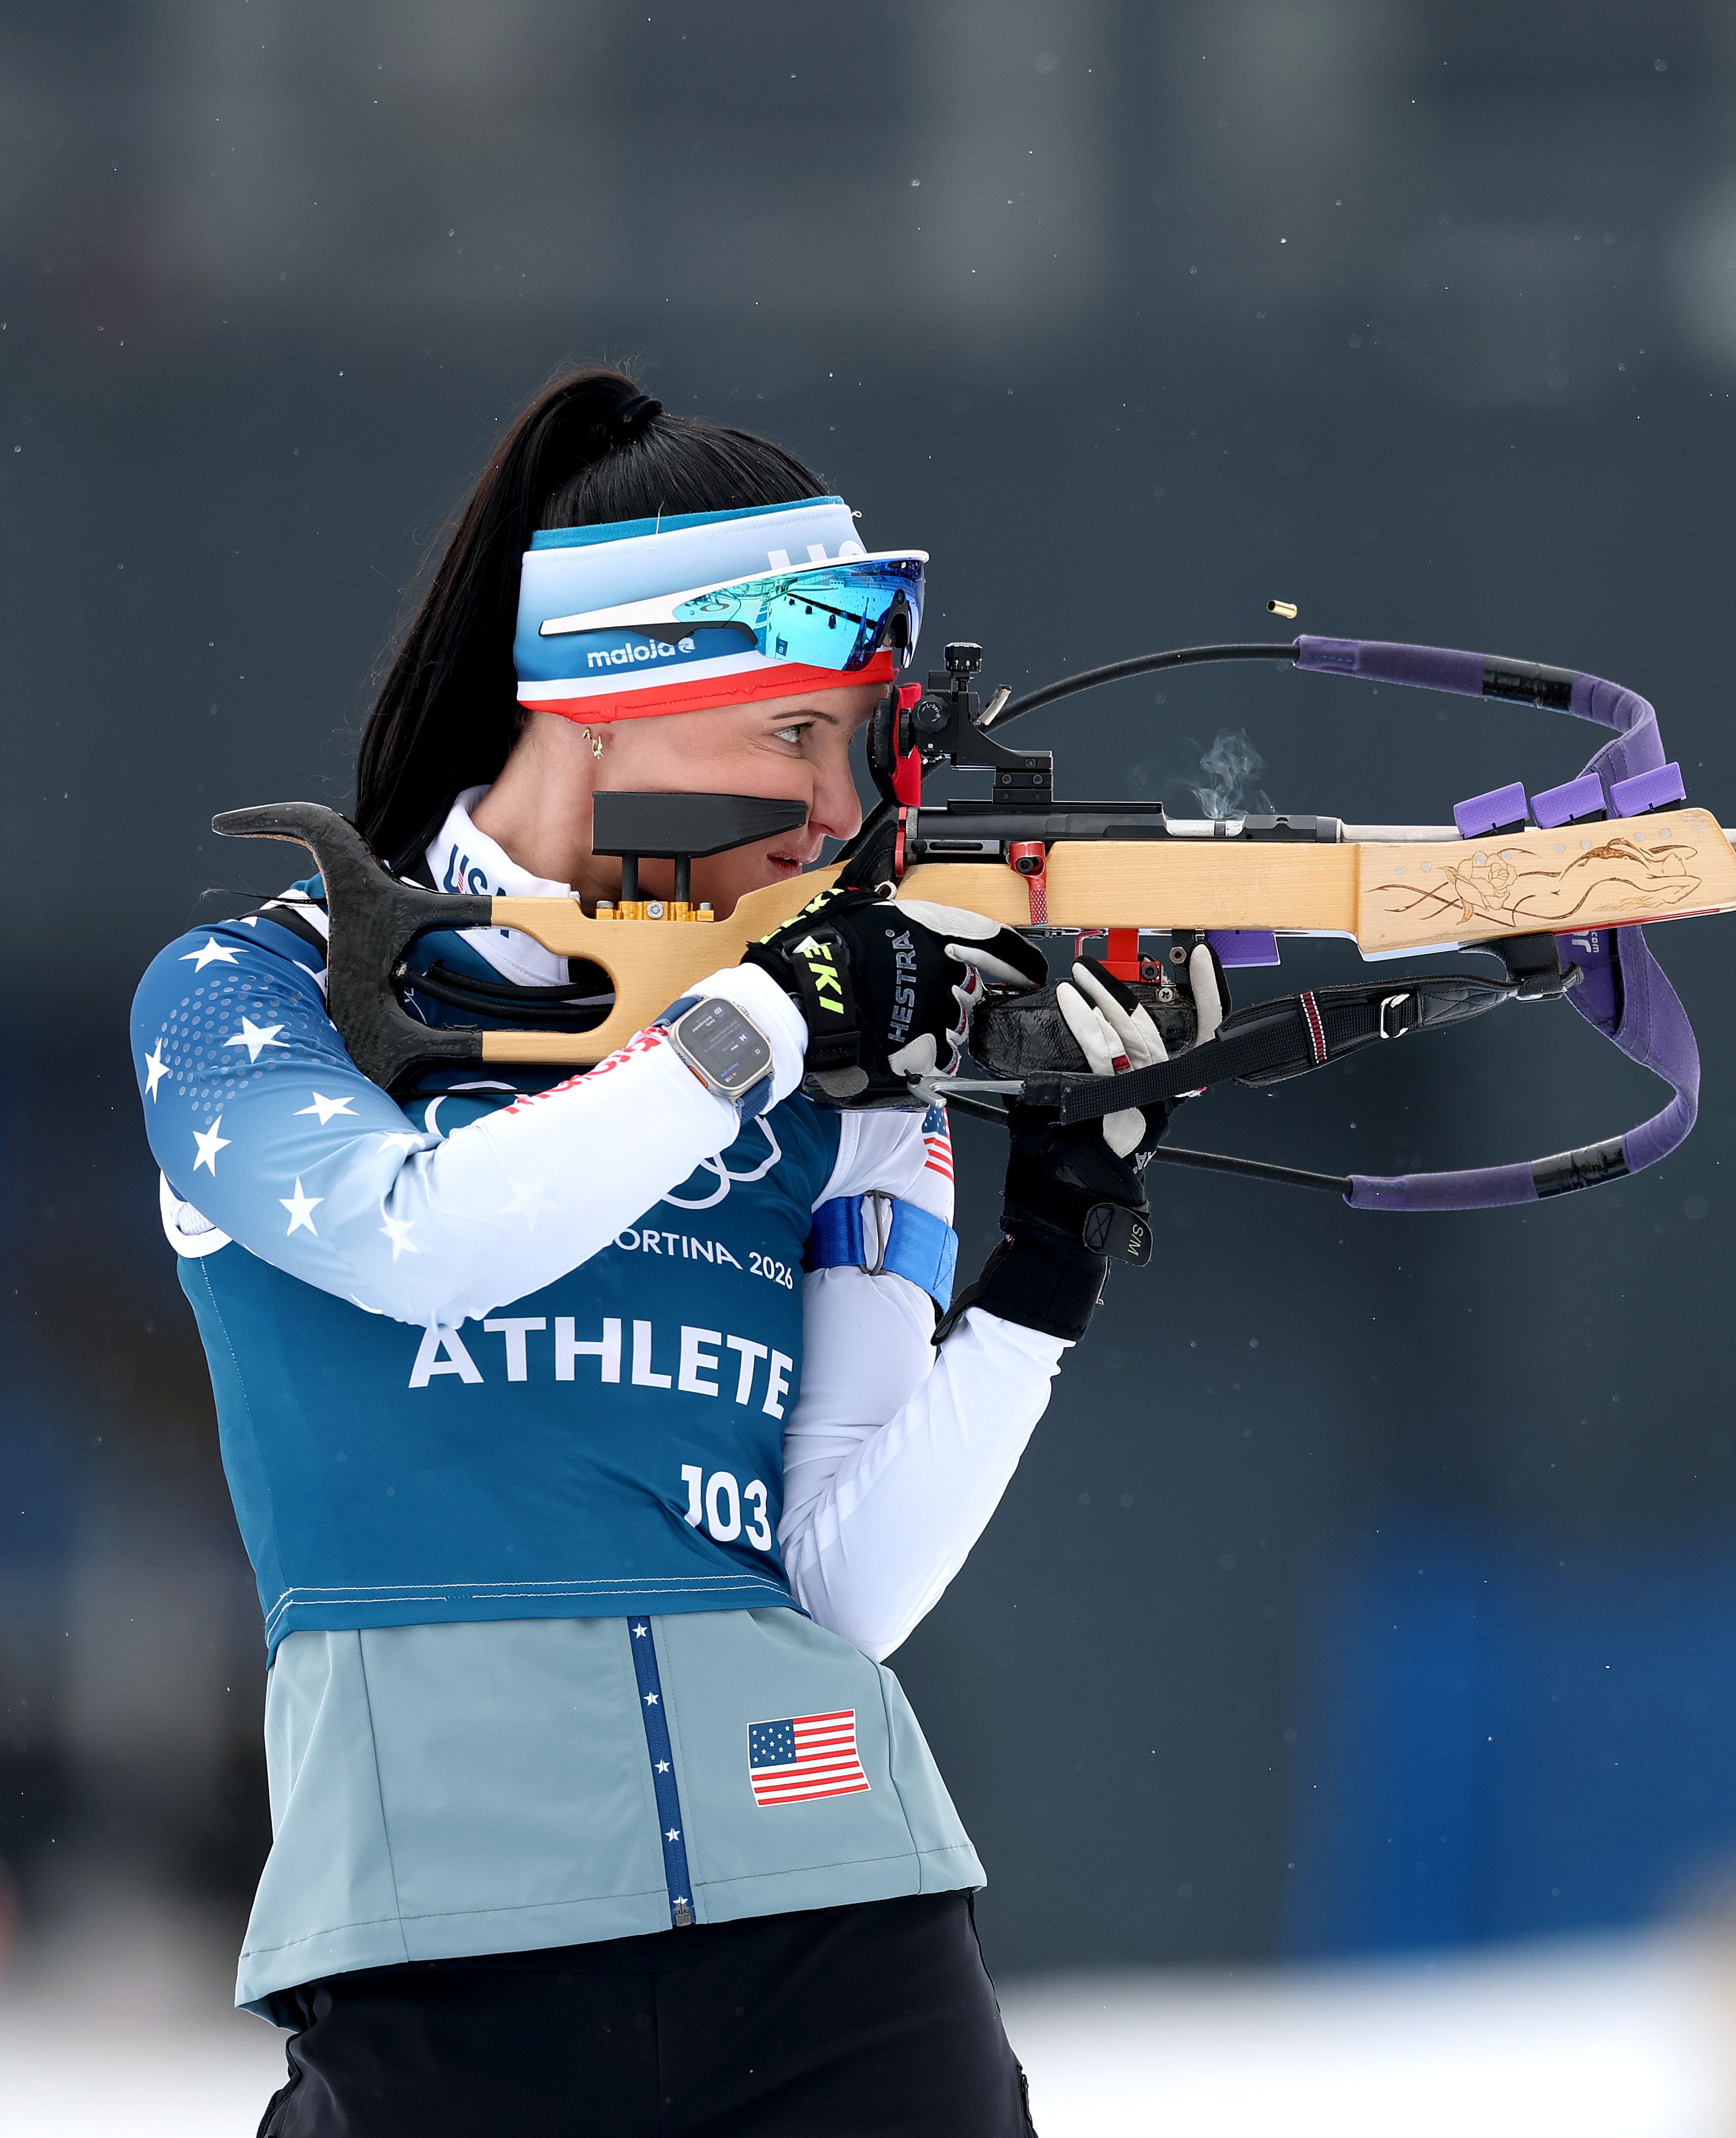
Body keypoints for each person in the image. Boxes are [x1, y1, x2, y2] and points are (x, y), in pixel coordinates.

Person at [126, 369, 1203, 2135]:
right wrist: (754, 1026)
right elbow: (422, 1243)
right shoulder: (254, 997)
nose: (831, 811)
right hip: (434, 1955)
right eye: (791, 735)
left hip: (841, 1925)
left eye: (856, 752)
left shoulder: (828, 1051)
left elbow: (843, 1581)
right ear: (597, 698)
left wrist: (1049, 1258)